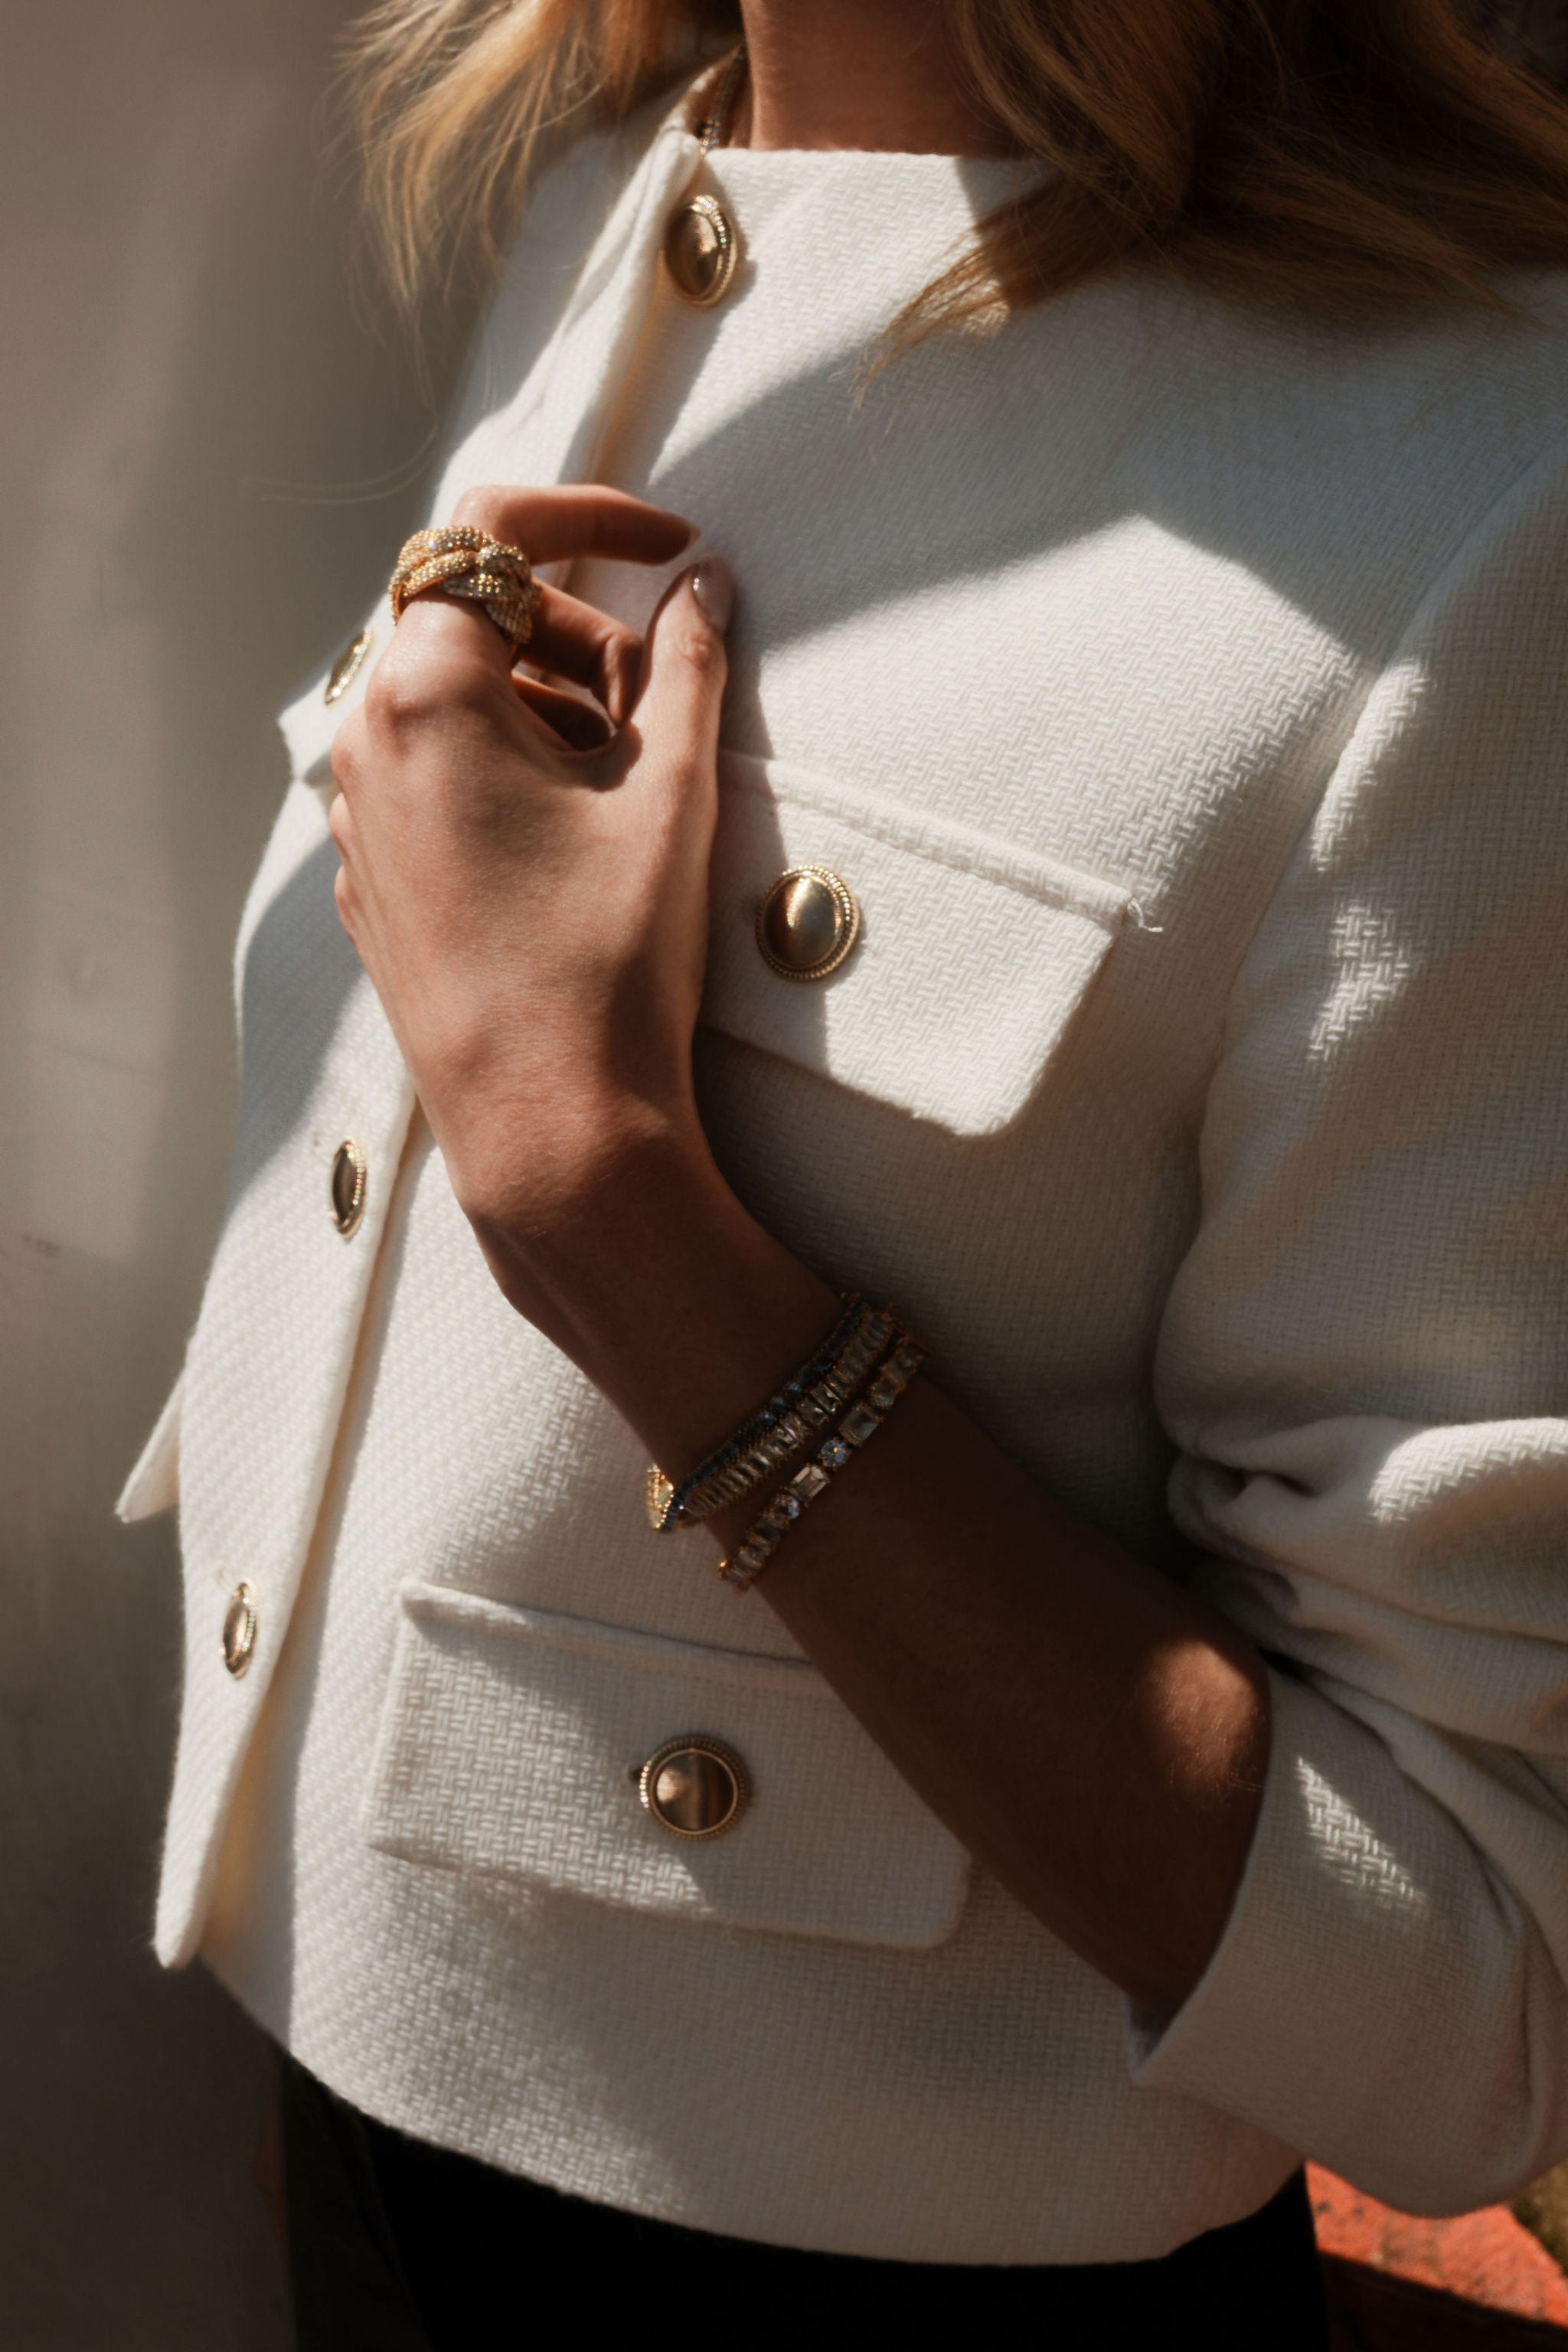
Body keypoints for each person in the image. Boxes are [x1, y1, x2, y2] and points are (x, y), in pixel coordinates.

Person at [118, 1, 1568, 2340]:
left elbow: (1478, 1983)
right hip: (336, 2113)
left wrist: (606, 1200)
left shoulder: (1494, 487)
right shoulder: (588, 186)